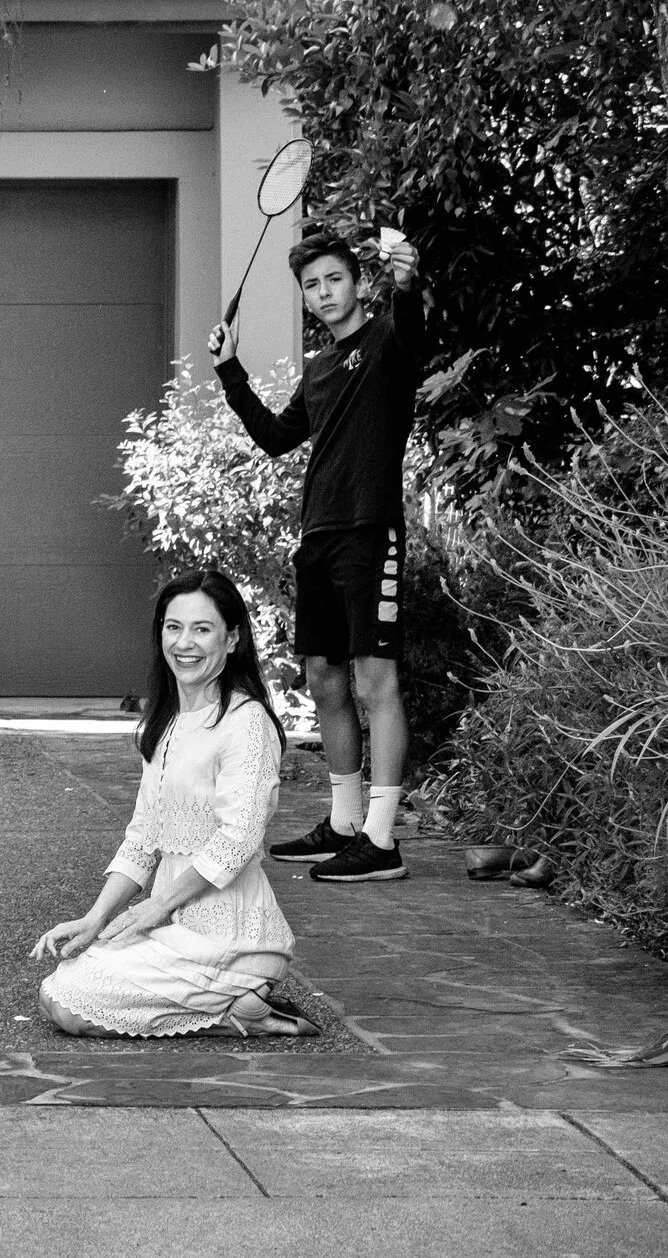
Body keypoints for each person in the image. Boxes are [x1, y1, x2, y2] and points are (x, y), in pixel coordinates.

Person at [209, 223, 423, 884]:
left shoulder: (389, 340)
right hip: (320, 536)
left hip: (370, 531)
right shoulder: (323, 365)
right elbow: (277, 436)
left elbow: (411, 316)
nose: (324, 291)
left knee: (373, 682)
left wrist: (409, 278)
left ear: (359, 283)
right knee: (326, 681)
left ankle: (382, 840)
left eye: (334, 279)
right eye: (312, 285)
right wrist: (229, 371)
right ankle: (345, 821)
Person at [32, 570, 318, 1038]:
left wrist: (156, 907)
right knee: (58, 988)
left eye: (202, 629)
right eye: (173, 627)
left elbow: (238, 841)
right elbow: (143, 839)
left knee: (69, 1003)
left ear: (232, 640)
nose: (184, 642)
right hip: (172, 927)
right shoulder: (168, 723)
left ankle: (237, 1005)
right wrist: (95, 917)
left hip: (231, 937)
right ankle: (238, 1009)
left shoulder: (246, 723)